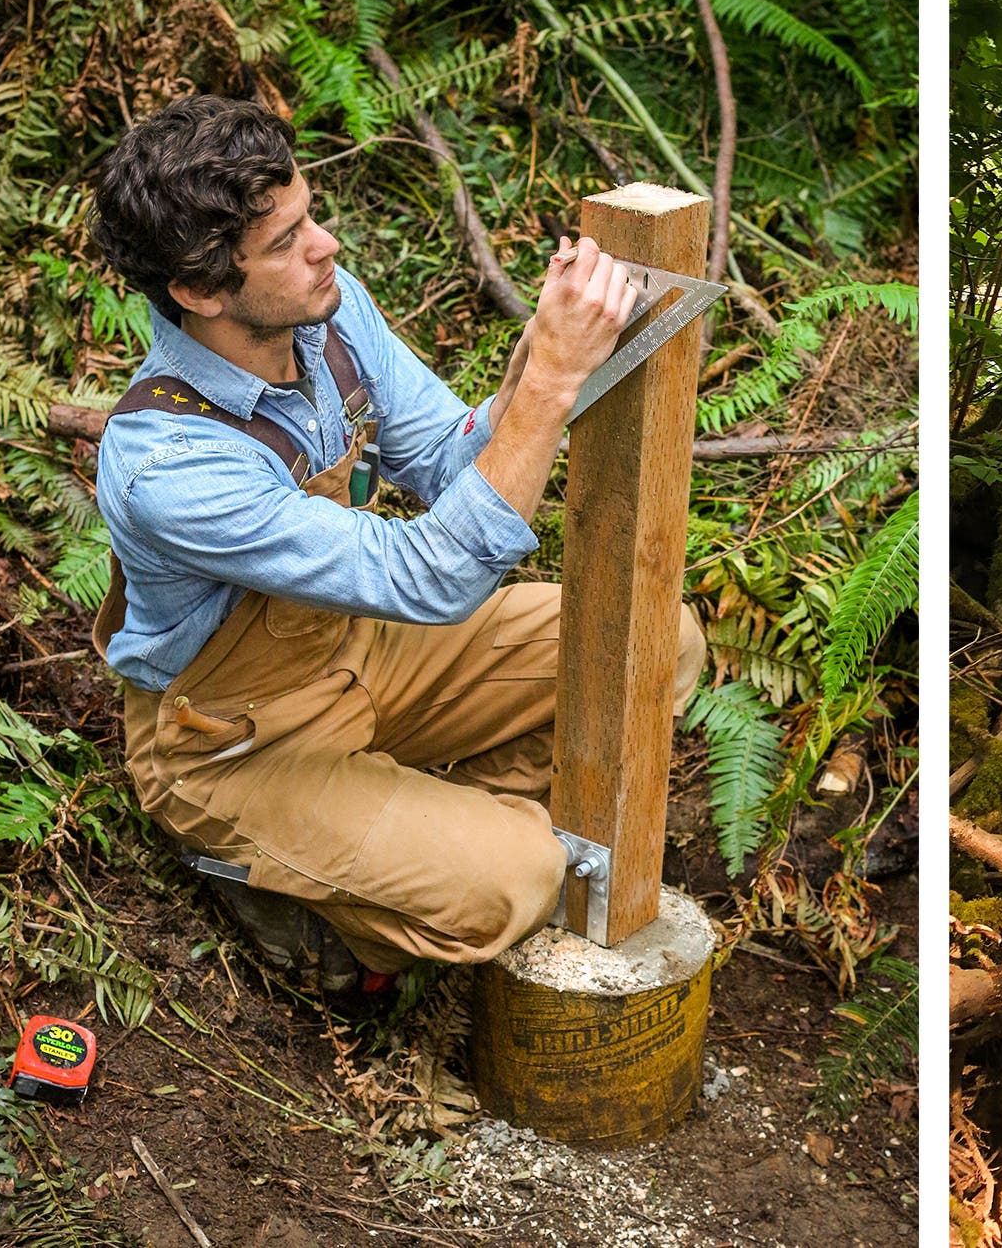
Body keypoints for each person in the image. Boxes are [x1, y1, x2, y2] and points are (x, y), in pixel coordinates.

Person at [86, 95, 704, 993]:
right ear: (200, 291)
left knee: (657, 644)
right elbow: (433, 576)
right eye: (286, 242)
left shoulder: (325, 317)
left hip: (364, 649)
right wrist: (555, 386)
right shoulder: (170, 463)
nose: (325, 246)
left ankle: (413, 830)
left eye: (311, 216)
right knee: (520, 878)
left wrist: (537, 360)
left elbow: (454, 467)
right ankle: (302, 903)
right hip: (236, 738)